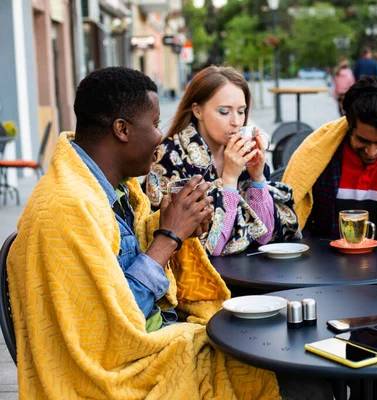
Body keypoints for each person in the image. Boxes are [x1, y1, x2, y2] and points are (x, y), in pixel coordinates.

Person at [6, 67, 331, 399]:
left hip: (161, 338)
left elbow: (262, 235)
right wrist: (169, 236)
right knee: (304, 385)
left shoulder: (115, 191)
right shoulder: (67, 207)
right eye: (155, 124)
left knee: (297, 363)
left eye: (241, 111)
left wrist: (174, 226)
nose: (160, 136)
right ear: (122, 129)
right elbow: (107, 332)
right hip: (128, 370)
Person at [146, 66, 301, 256]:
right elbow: (209, 248)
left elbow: (266, 236)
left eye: (241, 111)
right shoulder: (170, 156)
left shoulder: (243, 154)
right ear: (197, 111)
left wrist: (258, 177)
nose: (236, 121)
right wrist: (229, 179)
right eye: (224, 112)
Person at [283, 77, 377, 244]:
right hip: (324, 263)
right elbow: (297, 221)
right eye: (363, 141)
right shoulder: (316, 156)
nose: (371, 152)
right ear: (349, 126)